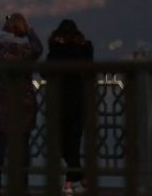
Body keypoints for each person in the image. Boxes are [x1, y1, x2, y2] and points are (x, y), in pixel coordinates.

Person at [0, 13, 43, 194]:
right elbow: (39, 48)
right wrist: (30, 29)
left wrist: (2, 34)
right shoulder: (27, 51)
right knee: (23, 145)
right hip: (22, 102)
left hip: (0, 101)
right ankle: (21, 183)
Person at [46, 19, 93, 194]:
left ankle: (78, 178)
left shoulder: (57, 50)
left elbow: (45, 71)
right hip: (80, 101)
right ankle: (74, 181)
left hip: (59, 102)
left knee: (62, 144)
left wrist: (56, 48)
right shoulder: (85, 48)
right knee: (74, 142)